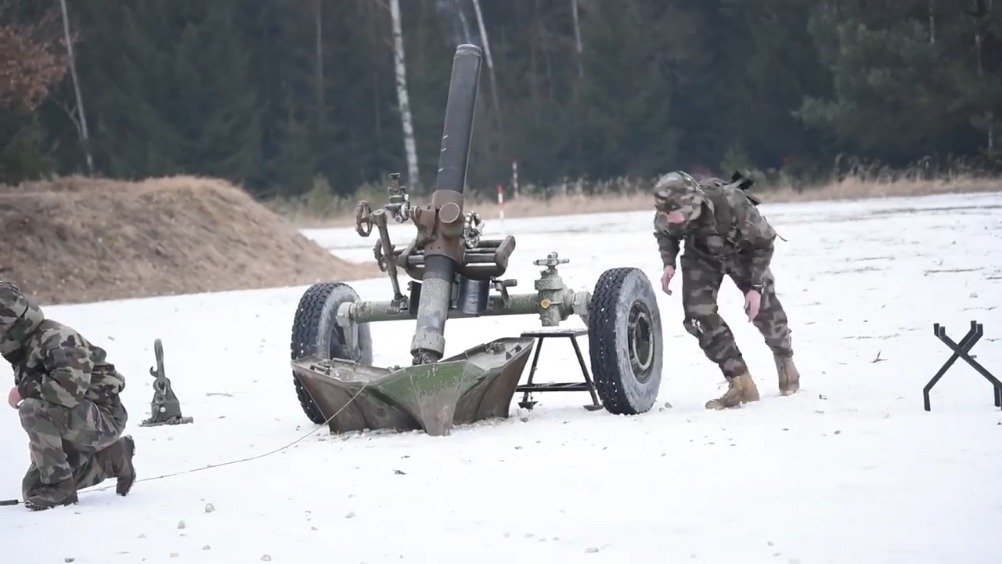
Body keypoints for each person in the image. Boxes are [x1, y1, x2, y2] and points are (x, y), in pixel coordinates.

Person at [652, 171, 801, 409]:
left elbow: (764, 244)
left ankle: (784, 357)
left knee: (764, 310)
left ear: (693, 202)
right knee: (698, 316)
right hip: (701, 255)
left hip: (744, 253)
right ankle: (740, 382)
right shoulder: (668, 212)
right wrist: (668, 262)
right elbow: (664, 234)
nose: (672, 220)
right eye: (667, 214)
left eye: (676, 214)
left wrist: (754, 287)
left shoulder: (732, 202)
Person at [1, 281, 135, 510]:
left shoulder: (57, 339)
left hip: (105, 416)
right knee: (34, 489)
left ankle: (61, 490)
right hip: (79, 417)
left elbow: (68, 393)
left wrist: (24, 389)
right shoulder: (24, 345)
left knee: (30, 408)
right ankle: (112, 458)